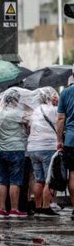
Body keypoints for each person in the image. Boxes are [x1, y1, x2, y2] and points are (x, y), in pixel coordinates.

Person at [0, 89, 29, 219]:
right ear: (15, 100)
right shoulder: (17, 113)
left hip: (0, 150)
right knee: (15, 180)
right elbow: (30, 120)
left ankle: (1, 209)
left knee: (3, 180)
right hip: (16, 149)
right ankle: (14, 209)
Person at [27, 87, 59, 217]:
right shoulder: (54, 110)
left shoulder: (35, 111)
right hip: (48, 147)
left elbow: (29, 127)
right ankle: (46, 207)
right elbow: (61, 122)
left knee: (38, 179)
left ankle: (38, 206)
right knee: (48, 179)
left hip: (33, 148)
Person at [57, 80, 74, 218]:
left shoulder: (65, 92)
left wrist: (59, 140)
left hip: (71, 139)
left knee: (73, 173)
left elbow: (61, 118)